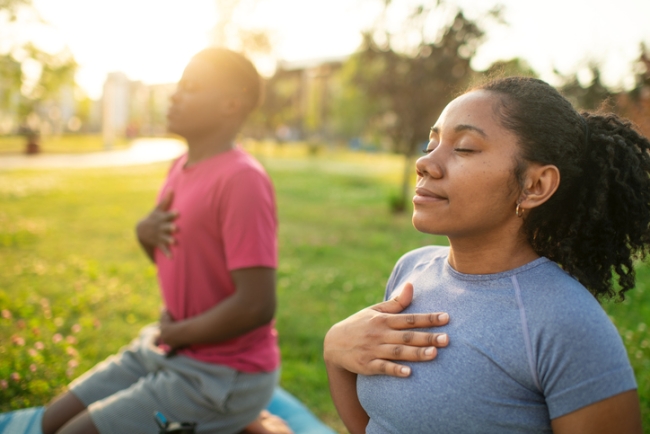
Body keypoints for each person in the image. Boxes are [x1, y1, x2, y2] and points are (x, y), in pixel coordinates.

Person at [324, 76, 647, 433]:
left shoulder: (566, 323)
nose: (425, 163)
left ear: (534, 186)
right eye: (431, 143)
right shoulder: (411, 270)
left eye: (463, 147)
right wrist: (335, 351)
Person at [41, 48, 288, 434]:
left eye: (190, 87)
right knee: (50, 422)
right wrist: (144, 236)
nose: (174, 95)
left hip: (222, 373)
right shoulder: (180, 167)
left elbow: (256, 304)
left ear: (230, 104)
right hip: (168, 346)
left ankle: (242, 418)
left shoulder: (242, 180)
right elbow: (181, 261)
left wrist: (177, 333)